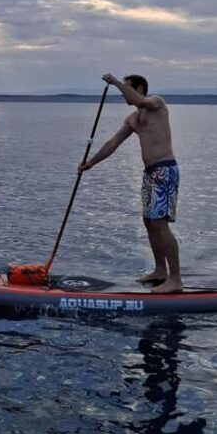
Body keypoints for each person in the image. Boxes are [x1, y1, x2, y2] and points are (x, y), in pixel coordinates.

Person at [78, 74, 182, 293]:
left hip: (165, 169)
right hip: (150, 173)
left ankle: (175, 279)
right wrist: (90, 163)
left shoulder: (156, 103)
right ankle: (160, 270)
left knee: (160, 224)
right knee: (149, 222)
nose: (123, 94)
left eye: (127, 89)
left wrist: (115, 82)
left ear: (140, 88)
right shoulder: (132, 120)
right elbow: (112, 143)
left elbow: (140, 101)